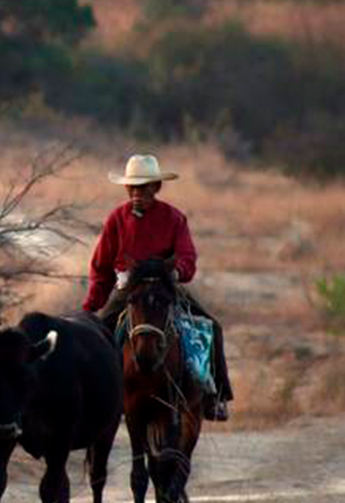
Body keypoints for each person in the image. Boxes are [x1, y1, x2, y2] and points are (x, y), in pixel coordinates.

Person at [82, 154, 232, 421]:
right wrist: (91, 305)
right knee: (96, 335)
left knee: (212, 327)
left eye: (144, 187)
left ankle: (217, 396)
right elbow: (101, 266)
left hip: (165, 284)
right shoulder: (117, 218)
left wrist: (177, 271)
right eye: (133, 187)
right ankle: (97, 398)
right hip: (129, 287)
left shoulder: (174, 218)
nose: (137, 193)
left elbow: (187, 256)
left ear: (156, 187)